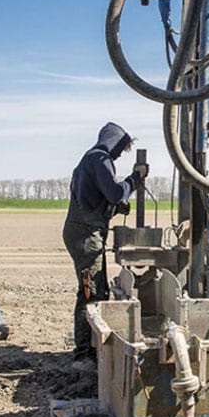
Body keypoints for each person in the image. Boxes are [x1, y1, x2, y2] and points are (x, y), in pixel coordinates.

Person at [62, 122, 147, 364]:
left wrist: (113, 206)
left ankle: (89, 347)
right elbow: (115, 193)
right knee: (92, 291)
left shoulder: (89, 160)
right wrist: (135, 178)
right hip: (86, 235)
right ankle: (84, 353)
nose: (120, 154)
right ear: (114, 142)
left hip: (84, 231)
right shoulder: (100, 159)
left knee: (95, 290)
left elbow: (96, 197)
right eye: (121, 148)